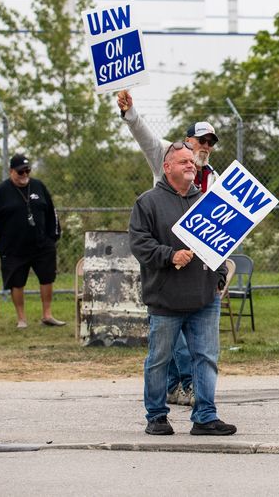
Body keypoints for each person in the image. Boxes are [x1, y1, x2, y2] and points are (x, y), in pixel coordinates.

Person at [117, 89, 219, 408]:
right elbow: (143, 135)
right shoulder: (166, 156)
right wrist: (130, 112)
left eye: (210, 142)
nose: (205, 147)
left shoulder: (211, 177)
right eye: (200, 140)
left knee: (195, 341)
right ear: (185, 142)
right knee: (169, 337)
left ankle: (186, 389)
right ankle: (175, 389)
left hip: (199, 267)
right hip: (167, 258)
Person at [129, 141, 235, 436]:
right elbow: (139, 244)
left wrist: (219, 277)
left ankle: (205, 416)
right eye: (183, 162)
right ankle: (157, 416)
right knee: (159, 360)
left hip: (204, 297)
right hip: (166, 299)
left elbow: (221, 243)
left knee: (206, 358)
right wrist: (169, 255)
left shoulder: (206, 201)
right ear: (167, 167)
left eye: (192, 161)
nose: (191, 165)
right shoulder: (147, 202)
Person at [0, 154, 64, 329]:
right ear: (11, 171)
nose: (24, 174)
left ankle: (47, 315)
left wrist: (52, 237)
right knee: (16, 282)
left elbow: (51, 213)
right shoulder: (1, 192)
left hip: (41, 245)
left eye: (27, 171)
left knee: (47, 277)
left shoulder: (38, 186)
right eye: (20, 172)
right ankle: (22, 319)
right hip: (13, 248)